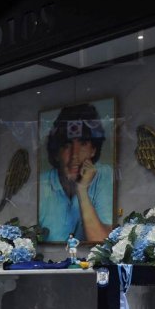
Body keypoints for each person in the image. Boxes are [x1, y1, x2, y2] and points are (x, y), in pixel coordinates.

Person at [39, 103, 113, 243]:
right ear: (56, 153)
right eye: (67, 145)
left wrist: (82, 190)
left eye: (83, 144)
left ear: (93, 150)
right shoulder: (42, 184)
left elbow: (100, 242)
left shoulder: (104, 175)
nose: (75, 155)